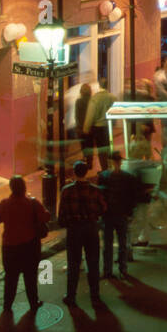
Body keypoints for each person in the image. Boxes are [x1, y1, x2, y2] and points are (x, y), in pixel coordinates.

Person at [0, 175, 49, 315]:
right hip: (29, 246)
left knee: (10, 278)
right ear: (24, 187)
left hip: (10, 248)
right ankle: (33, 303)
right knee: (30, 278)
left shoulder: (5, 203)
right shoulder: (32, 203)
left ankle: (7, 305)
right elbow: (46, 217)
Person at [59, 160, 106, 307]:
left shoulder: (66, 190)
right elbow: (103, 208)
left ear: (74, 172)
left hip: (74, 230)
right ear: (86, 172)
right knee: (93, 262)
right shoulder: (95, 190)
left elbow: (62, 214)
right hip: (91, 228)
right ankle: (95, 294)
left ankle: (71, 296)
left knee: (73, 263)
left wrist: (68, 223)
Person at [96, 151, 140, 279]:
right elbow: (133, 197)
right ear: (120, 162)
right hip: (121, 214)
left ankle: (108, 270)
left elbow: (100, 196)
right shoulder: (127, 177)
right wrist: (129, 212)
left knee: (108, 244)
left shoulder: (104, 176)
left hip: (108, 215)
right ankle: (122, 269)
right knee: (122, 243)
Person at [74, 83, 94, 166]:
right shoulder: (92, 100)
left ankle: (85, 157)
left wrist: (78, 125)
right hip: (90, 126)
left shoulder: (78, 101)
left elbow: (77, 115)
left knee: (83, 144)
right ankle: (90, 161)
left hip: (81, 126)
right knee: (90, 144)